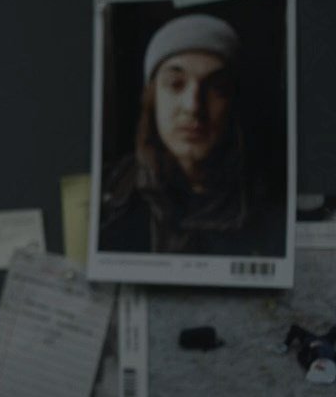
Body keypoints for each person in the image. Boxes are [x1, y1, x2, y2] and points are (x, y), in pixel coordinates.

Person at [99, 13, 282, 256]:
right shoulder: (108, 197)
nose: (193, 106)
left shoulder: (272, 208)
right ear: (152, 98)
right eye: (176, 84)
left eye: (216, 88)